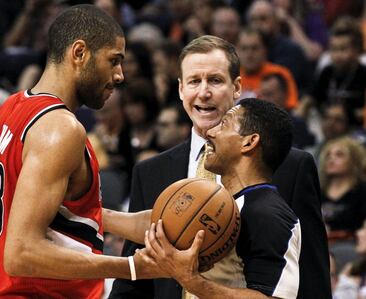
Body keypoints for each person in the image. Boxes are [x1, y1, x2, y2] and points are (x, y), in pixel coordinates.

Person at [109, 35, 331, 299]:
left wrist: (190, 280)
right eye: (194, 81)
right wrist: (86, 213)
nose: (204, 92)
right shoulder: (149, 172)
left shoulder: (290, 167)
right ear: (180, 90)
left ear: (237, 87)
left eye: (215, 80)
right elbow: (139, 262)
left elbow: (312, 275)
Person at [0, 5, 164, 299]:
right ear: (79, 52)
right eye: (113, 61)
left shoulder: (4, 115)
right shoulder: (62, 129)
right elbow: (20, 252)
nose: (120, 75)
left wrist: (149, 224)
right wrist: (131, 267)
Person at [144, 98, 301, 298]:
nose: (210, 132)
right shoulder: (226, 204)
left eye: (224, 124)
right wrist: (98, 212)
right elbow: (160, 222)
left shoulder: (267, 213)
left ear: (249, 142)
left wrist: (190, 280)